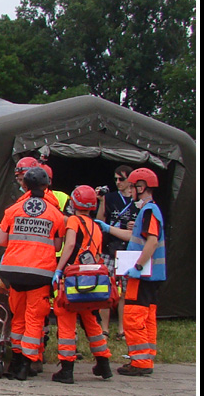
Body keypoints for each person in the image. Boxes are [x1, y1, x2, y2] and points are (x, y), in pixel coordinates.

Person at [0, 167, 65, 381]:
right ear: (47, 187)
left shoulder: (13, 210)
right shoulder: (56, 214)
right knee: (34, 319)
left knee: (18, 315)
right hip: (40, 272)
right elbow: (56, 245)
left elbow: (0, 241)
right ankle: (26, 364)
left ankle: (15, 360)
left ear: (24, 186)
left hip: (14, 271)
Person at [96, 167, 166, 376]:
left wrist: (137, 266)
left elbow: (151, 241)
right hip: (151, 275)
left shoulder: (148, 211)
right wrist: (108, 228)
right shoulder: (150, 210)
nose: (131, 191)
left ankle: (140, 362)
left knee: (134, 316)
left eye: (134, 186)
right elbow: (134, 237)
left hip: (143, 274)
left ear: (141, 187)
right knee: (147, 316)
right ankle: (146, 357)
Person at [50, 185, 112, 384]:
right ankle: (104, 364)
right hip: (91, 279)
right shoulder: (96, 225)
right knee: (91, 321)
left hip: (73, 278)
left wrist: (59, 269)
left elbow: (69, 245)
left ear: (74, 203)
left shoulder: (74, 221)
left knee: (66, 319)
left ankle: (67, 369)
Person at [95, 164, 138, 339]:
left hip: (129, 250)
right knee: (105, 289)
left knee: (125, 292)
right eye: (116, 179)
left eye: (121, 179)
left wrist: (136, 227)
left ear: (130, 181)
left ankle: (122, 328)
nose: (118, 182)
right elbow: (99, 222)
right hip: (108, 248)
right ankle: (104, 328)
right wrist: (101, 202)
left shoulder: (138, 201)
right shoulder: (110, 197)